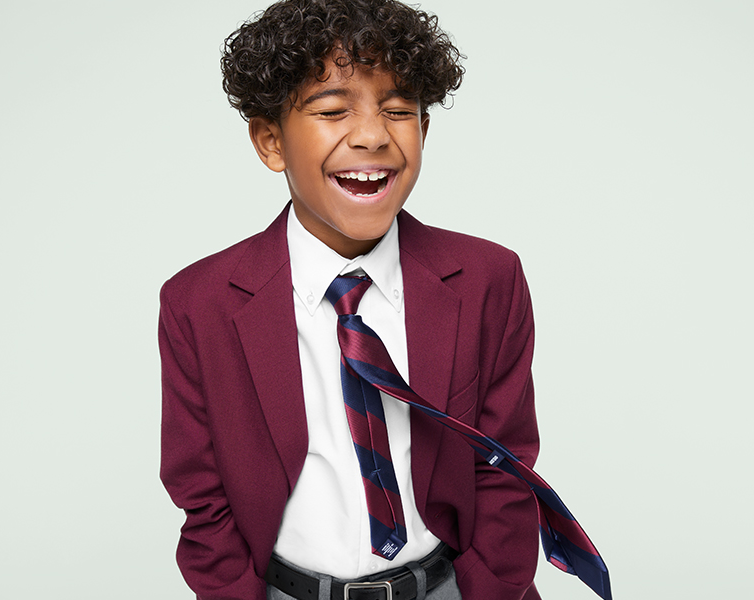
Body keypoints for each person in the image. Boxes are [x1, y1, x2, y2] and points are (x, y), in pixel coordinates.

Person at [159, 1, 542, 598]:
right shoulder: (198, 303)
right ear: (270, 141)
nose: (372, 135)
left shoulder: (488, 279)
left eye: (399, 111)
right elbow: (201, 493)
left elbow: (506, 469)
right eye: (334, 110)